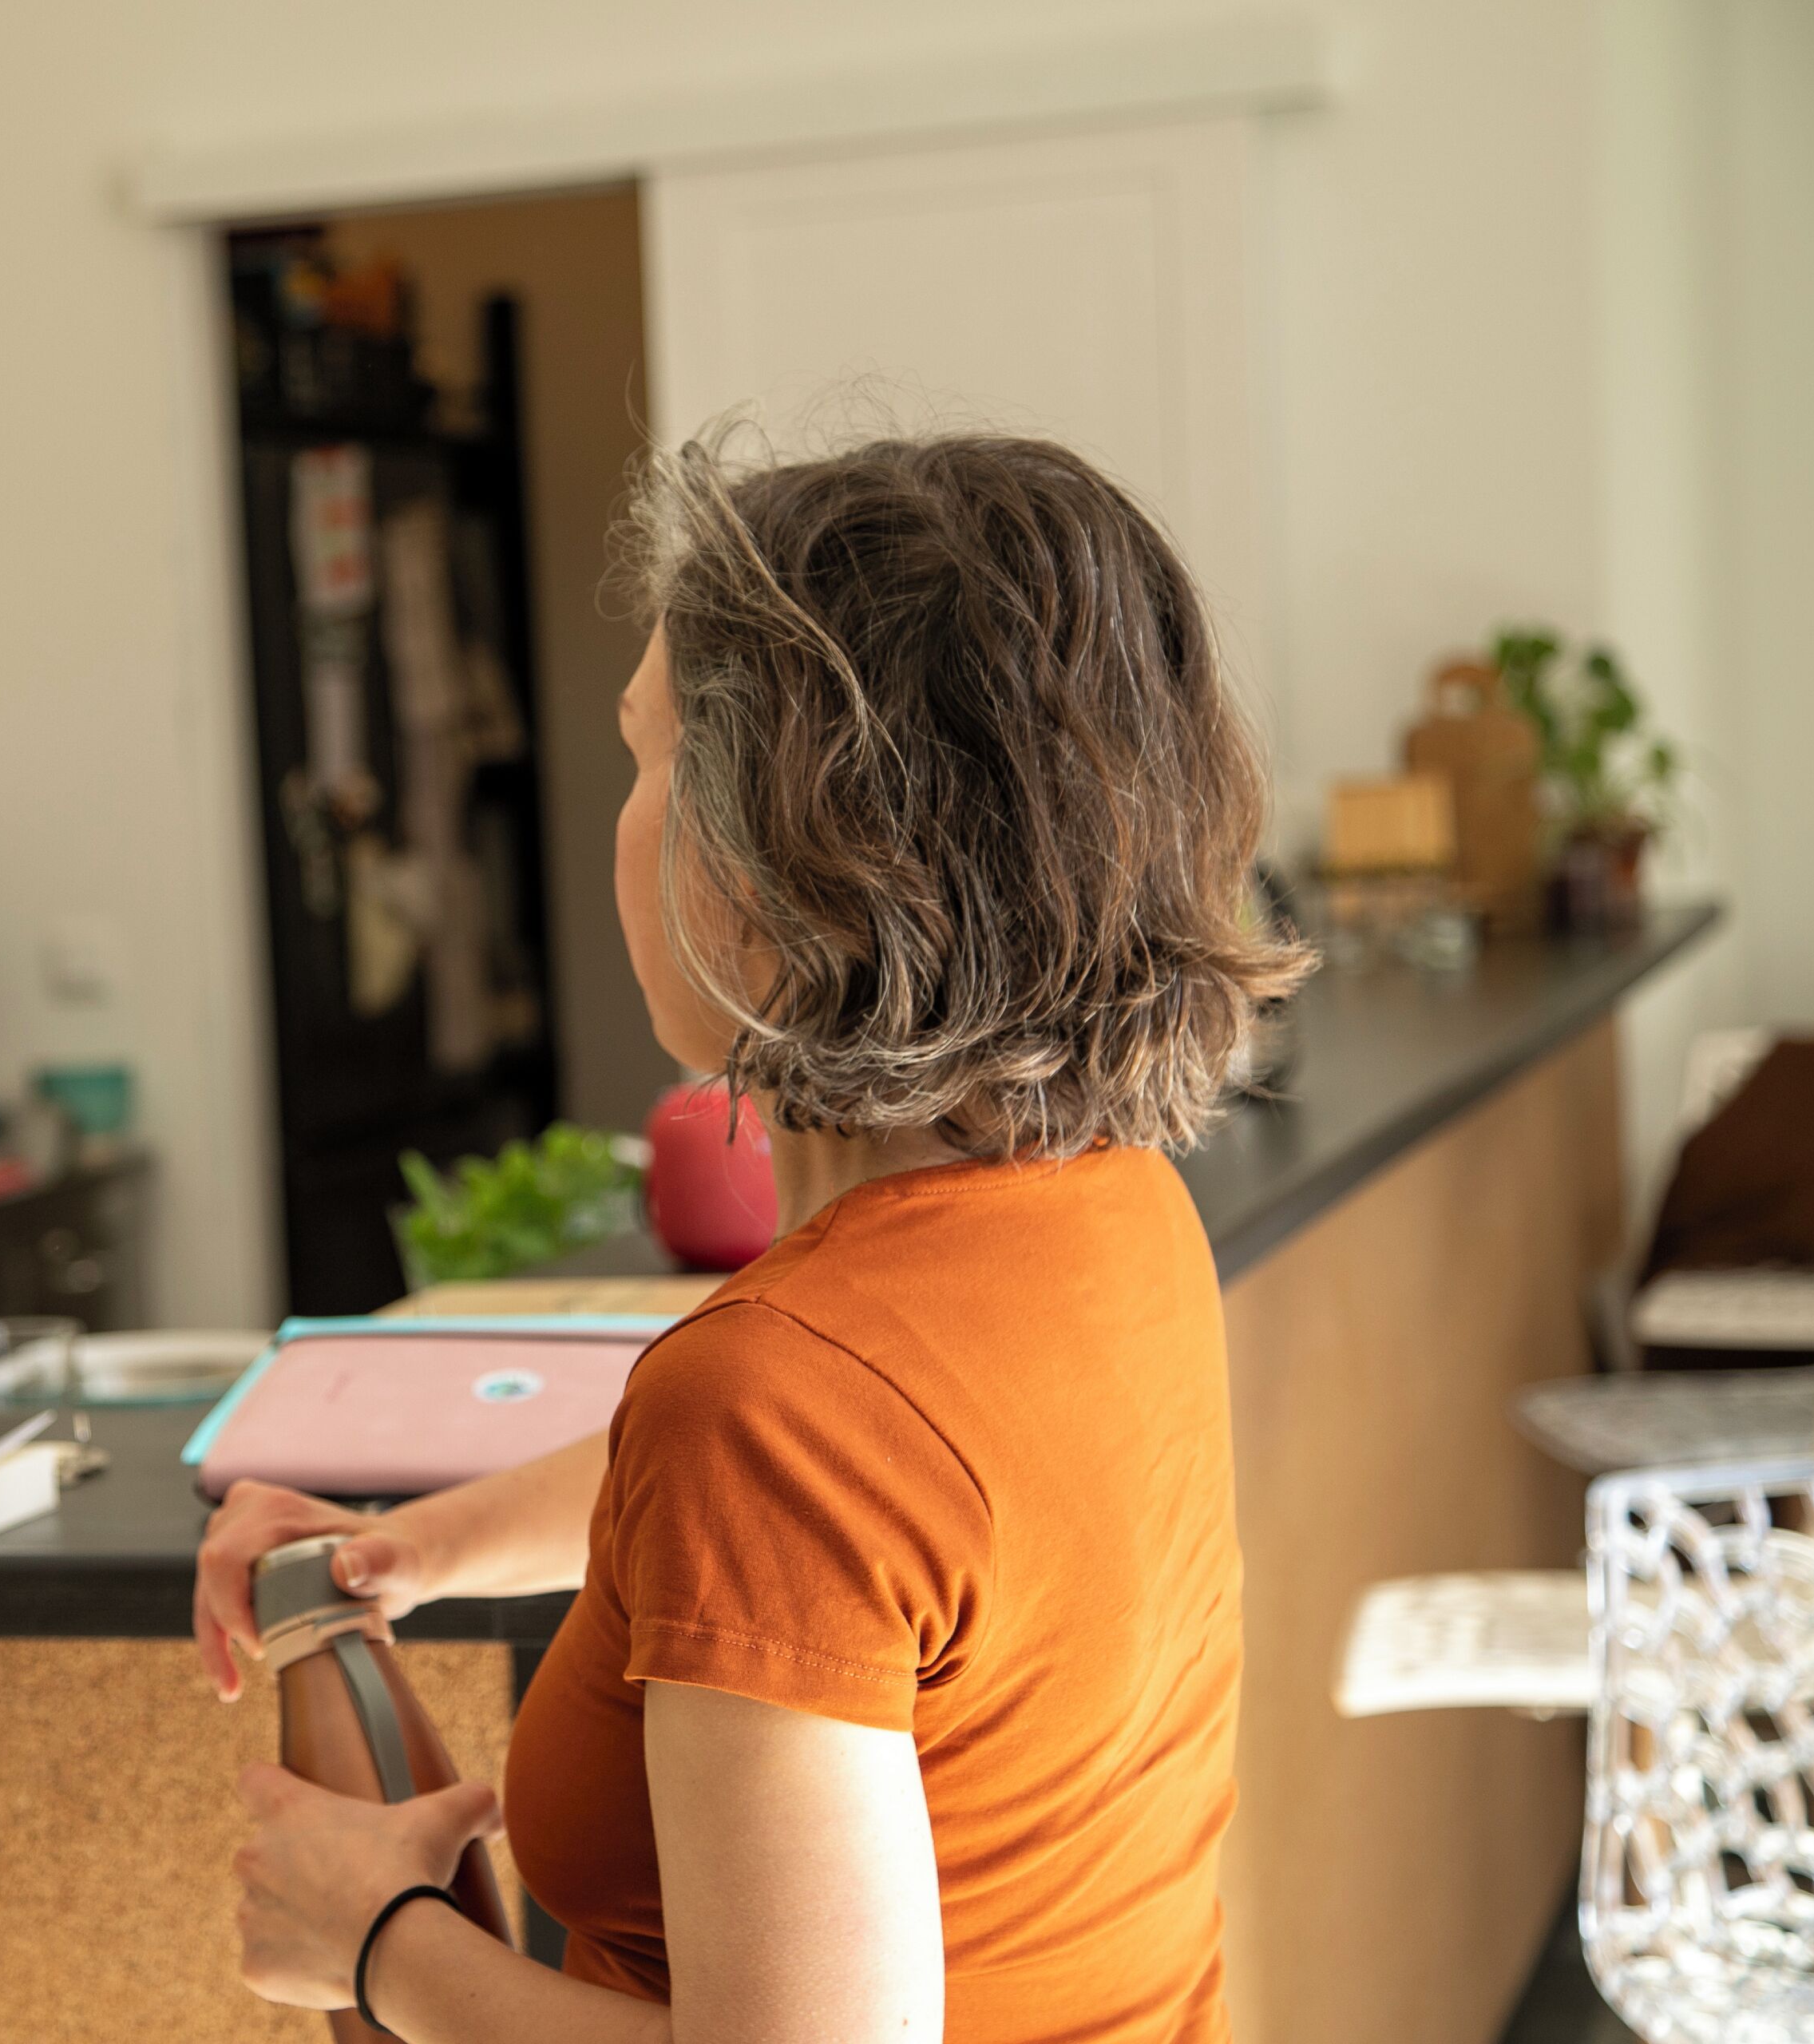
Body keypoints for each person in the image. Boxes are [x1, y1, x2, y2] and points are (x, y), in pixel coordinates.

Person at [196, 433, 1313, 2042]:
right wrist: (421, 1547)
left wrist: (371, 1943)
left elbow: (788, 1484)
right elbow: (819, 1533)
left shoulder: (778, 1399)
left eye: (650, 755)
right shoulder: (1116, 1212)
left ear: (795, 859)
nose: (626, 815)